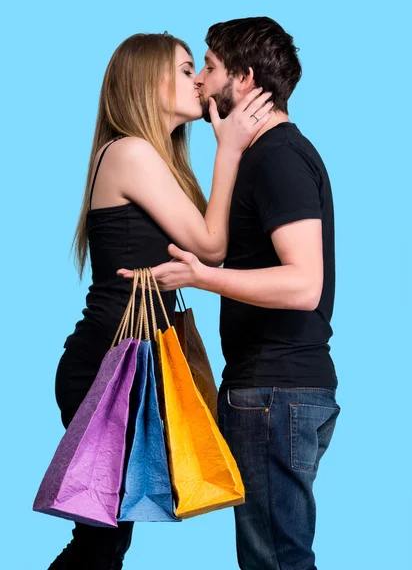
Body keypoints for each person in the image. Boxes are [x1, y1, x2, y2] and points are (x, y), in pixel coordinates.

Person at [119, 16, 340, 570]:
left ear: (242, 80)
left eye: (209, 68)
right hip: (278, 392)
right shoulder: (261, 157)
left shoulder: (279, 158)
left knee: (276, 562)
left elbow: (304, 283)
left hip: (275, 394)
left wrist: (201, 278)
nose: (199, 82)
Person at [47, 31, 272, 570]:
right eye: (186, 68)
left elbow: (207, 253)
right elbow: (212, 246)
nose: (198, 80)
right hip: (109, 369)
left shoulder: (150, 158)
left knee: (106, 540)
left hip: (124, 369)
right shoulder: (130, 152)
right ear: (147, 83)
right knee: (101, 541)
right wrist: (232, 148)